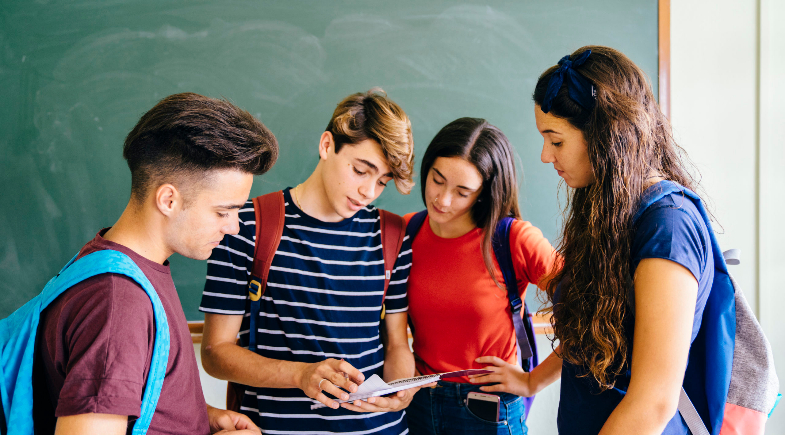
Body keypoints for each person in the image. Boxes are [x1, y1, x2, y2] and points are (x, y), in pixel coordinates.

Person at [474, 45, 715, 435]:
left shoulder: (668, 228)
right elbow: (592, 328)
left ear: (605, 136)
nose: (544, 156)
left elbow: (653, 402)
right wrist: (533, 381)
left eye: (556, 140)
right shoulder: (609, 213)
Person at [32, 92, 279, 434]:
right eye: (223, 211)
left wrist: (199, 414)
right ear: (168, 199)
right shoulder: (118, 303)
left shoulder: (119, 265)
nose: (233, 226)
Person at [198, 88, 421, 435]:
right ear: (327, 145)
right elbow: (215, 352)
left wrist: (402, 389)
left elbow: (396, 345)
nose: (369, 192)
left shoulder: (393, 235)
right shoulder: (247, 226)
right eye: (361, 170)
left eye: (383, 181)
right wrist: (301, 375)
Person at [402, 117, 558, 435]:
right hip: (418, 402)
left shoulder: (513, 239)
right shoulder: (406, 231)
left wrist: (533, 381)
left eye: (462, 192)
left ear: (485, 193)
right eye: (437, 179)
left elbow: (594, 313)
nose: (442, 200)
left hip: (487, 408)